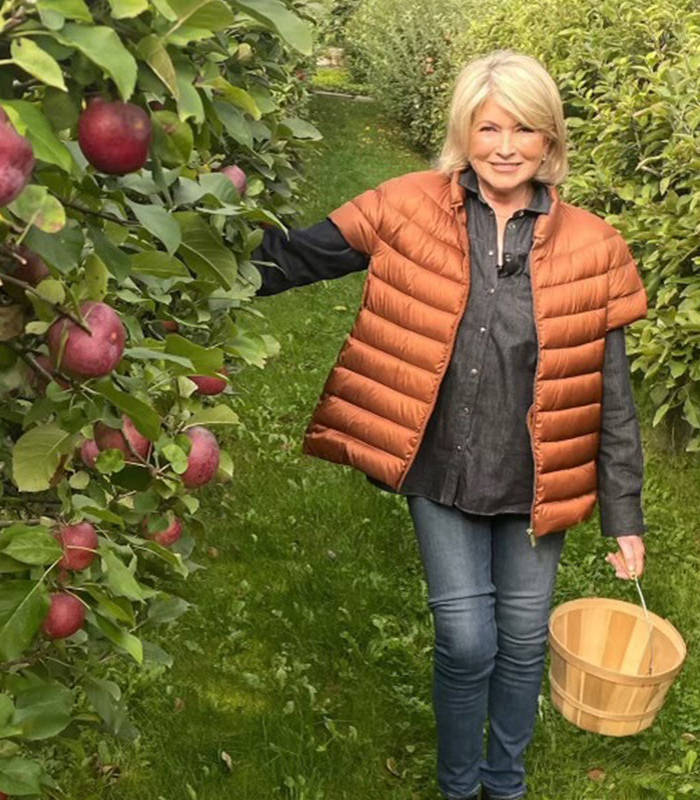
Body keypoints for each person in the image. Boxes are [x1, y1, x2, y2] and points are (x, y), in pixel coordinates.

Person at [251, 50, 648, 800]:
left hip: (535, 477)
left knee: (522, 642)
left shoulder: (596, 248)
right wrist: (189, 264)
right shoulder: (404, 206)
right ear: (464, 131)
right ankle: (461, 787)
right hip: (441, 463)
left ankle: (506, 783)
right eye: (488, 127)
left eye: (524, 129)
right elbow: (295, 257)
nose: (505, 147)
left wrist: (623, 514)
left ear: (550, 138)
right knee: (467, 642)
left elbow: (613, 394)